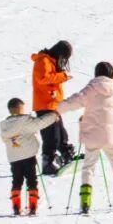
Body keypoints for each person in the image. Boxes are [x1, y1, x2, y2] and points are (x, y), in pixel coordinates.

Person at [56, 62, 113, 213]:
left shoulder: (92, 87)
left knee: (88, 167)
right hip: (112, 135)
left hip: (93, 135)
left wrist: (57, 108)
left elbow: (75, 101)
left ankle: (85, 203)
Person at [0, 98, 60, 216]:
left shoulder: (4, 125)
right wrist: (53, 115)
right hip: (28, 157)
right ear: (19, 109)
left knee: (16, 181)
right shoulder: (25, 121)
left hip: (14, 158)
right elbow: (41, 122)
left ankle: (16, 207)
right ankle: (33, 207)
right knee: (32, 180)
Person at [30, 40, 75, 175]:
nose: (64, 61)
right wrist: (62, 76)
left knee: (61, 133)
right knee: (51, 135)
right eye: (65, 57)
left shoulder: (50, 62)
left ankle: (66, 155)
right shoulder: (43, 61)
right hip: (45, 105)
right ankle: (47, 163)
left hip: (53, 104)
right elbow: (43, 78)